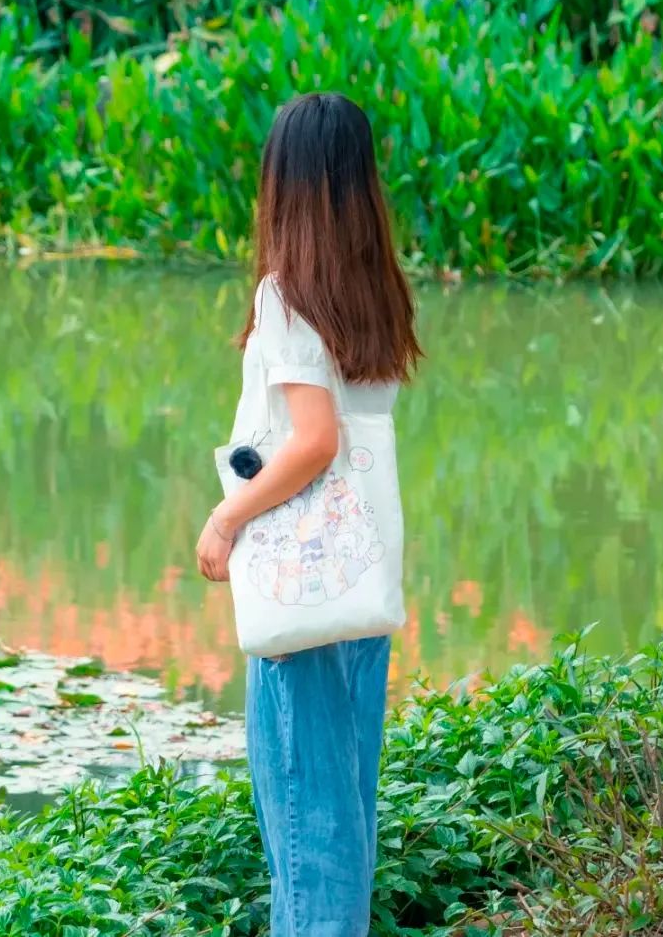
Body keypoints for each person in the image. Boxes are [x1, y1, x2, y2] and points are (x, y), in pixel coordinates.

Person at [195, 91, 422, 937]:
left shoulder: (288, 297)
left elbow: (314, 440)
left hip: (298, 582)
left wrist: (227, 517)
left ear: (284, 185)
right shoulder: (376, 294)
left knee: (303, 820)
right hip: (357, 576)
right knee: (341, 809)